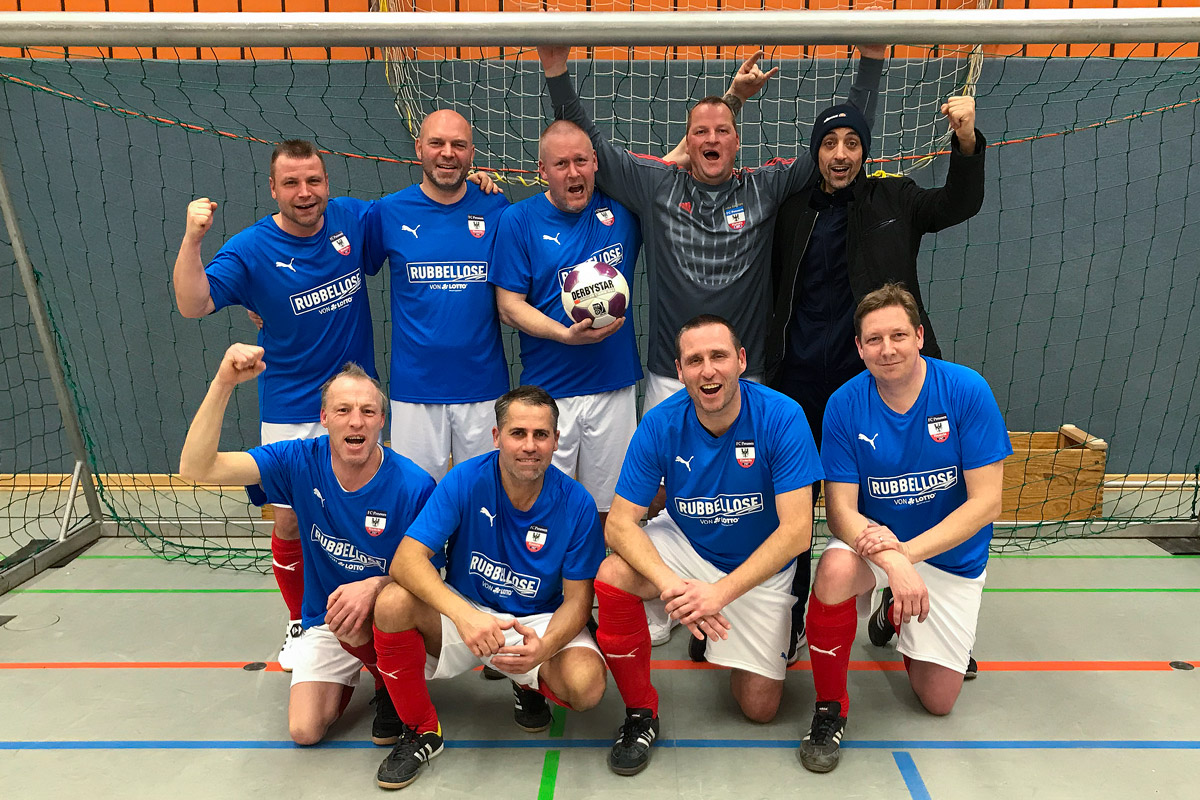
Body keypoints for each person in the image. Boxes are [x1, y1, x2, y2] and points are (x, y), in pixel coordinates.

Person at [536, 45, 883, 413]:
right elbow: (590, 142)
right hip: (671, 377)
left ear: (737, 141)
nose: (712, 139)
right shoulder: (657, 187)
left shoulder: (764, 187)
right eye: (700, 132)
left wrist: (873, 60)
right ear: (689, 144)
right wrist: (555, 69)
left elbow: (843, 136)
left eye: (722, 131)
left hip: (745, 373)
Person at [765, 93, 986, 667]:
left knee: (912, 492)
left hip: (878, 382)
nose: (840, 154)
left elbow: (960, 202)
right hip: (801, 385)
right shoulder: (792, 210)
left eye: (851, 143)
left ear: (865, 150)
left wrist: (965, 141)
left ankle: (920, 607)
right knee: (797, 507)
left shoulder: (895, 197)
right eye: (829, 144)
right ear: (815, 152)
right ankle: (791, 616)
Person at [173, 140, 384, 670]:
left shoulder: (353, 219)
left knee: (369, 517)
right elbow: (193, 304)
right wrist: (193, 239)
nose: (304, 192)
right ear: (273, 189)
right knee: (290, 522)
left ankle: (370, 620)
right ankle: (300, 622)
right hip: (291, 409)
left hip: (356, 407)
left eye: (313, 180)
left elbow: (422, 216)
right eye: (291, 183)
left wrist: (479, 185)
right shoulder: (250, 249)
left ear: (327, 183)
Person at [594, 315, 822, 776]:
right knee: (613, 574)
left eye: (718, 356)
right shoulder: (660, 423)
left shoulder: (782, 415)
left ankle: (727, 637)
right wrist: (673, 588)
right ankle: (640, 711)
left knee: (760, 708)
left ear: (741, 361)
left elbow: (798, 532)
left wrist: (718, 595)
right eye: (694, 360)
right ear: (680, 371)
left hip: (757, 566)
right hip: (688, 545)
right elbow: (618, 525)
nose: (708, 370)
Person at [798, 284, 1010, 774]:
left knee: (938, 701)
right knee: (832, 570)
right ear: (859, 347)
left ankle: (893, 615)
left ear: (919, 336)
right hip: (878, 547)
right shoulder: (844, 404)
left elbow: (987, 502)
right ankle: (829, 708)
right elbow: (840, 513)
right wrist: (894, 562)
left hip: (949, 555)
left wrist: (907, 556)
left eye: (897, 335)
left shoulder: (966, 390)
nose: (887, 349)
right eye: (874, 339)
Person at [179, 343, 435, 747]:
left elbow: (432, 575)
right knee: (304, 730)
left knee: (371, 611)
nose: (356, 421)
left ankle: (389, 682)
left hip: (391, 616)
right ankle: (371, 669)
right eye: (343, 410)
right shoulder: (297, 460)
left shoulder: (413, 485)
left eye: (368, 411)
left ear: (382, 420)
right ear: (324, 418)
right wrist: (224, 382)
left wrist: (375, 586)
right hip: (329, 617)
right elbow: (197, 468)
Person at [368, 385, 608, 790]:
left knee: (587, 687)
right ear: (497, 437)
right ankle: (421, 729)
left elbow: (579, 602)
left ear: (556, 440)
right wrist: (465, 617)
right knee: (391, 602)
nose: (529, 446)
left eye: (541, 435)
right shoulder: (465, 479)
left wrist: (545, 648)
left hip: (537, 620)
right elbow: (406, 560)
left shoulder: (577, 503)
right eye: (518, 433)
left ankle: (527, 682)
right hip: (468, 611)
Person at [491, 119, 643, 523]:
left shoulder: (623, 210)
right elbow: (509, 306)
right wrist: (564, 335)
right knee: (541, 509)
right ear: (542, 170)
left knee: (612, 512)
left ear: (596, 162)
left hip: (613, 389)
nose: (573, 172)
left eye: (581, 161)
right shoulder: (518, 220)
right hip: (548, 394)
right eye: (561, 164)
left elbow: (670, 167)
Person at [367, 110, 511, 481]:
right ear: (419, 148)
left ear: (472, 154)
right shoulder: (387, 212)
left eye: (458, 145)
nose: (448, 153)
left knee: (482, 499)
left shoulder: (496, 207)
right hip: (414, 392)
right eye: (437, 143)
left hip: (484, 390)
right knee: (414, 501)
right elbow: (339, 264)